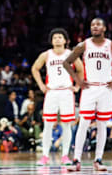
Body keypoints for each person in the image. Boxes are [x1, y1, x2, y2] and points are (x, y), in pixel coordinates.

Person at [64, 17, 112, 171]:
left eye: (98, 24)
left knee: (102, 125)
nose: (95, 27)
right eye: (92, 24)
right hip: (89, 88)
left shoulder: (111, 46)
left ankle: (98, 159)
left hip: (106, 89)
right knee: (83, 124)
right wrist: (78, 81)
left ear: (104, 28)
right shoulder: (84, 45)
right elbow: (66, 62)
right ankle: (76, 160)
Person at [31, 28, 83, 166]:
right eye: (55, 37)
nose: (57, 39)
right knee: (48, 125)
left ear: (65, 40)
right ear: (51, 41)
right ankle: (45, 156)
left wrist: (78, 86)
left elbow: (81, 69)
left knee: (66, 125)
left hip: (66, 92)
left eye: (60, 37)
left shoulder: (71, 54)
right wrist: (41, 85)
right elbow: (34, 68)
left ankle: (65, 155)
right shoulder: (46, 55)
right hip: (52, 92)